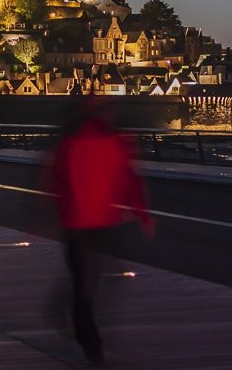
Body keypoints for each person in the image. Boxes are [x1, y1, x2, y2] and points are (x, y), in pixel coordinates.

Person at [43, 99, 154, 366]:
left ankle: (83, 331)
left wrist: (54, 211)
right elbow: (131, 179)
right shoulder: (115, 142)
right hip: (94, 223)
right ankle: (91, 342)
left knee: (86, 283)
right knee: (88, 285)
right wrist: (142, 214)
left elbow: (56, 180)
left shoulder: (73, 142)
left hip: (83, 223)